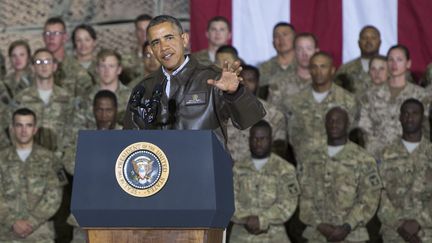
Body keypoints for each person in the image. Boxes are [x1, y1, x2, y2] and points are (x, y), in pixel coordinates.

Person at [123, 15, 265, 145]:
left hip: (206, 169)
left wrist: (235, 93)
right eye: (155, 42)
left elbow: (250, 119)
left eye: (169, 38)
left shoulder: (214, 78)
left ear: (184, 39)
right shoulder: (144, 88)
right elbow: (130, 141)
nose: (163, 47)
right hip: (161, 171)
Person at [299, 107, 381, 242]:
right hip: (317, 235)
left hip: (352, 236)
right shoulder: (310, 159)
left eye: (339, 121)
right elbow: (304, 198)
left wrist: (346, 227)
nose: (334, 124)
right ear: (324, 124)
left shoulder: (364, 160)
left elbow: (370, 198)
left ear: (347, 125)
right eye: (330, 120)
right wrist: (320, 225)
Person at [230, 120, 299, 243]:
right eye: (255, 138)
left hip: (274, 236)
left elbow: (288, 203)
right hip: (241, 235)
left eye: (263, 138)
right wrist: (246, 220)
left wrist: (262, 220)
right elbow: (229, 200)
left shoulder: (285, 169)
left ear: (271, 140)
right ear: (249, 140)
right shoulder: (237, 168)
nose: (258, 143)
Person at [284, 51, 357, 166]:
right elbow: (290, 137)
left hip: (339, 168)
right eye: (314, 67)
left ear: (332, 70)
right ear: (309, 70)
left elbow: (352, 136)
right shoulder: (294, 102)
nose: (318, 72)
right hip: (305, 167)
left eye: (323, 67)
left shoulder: (348, 101)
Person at [0, 108, 62, 242]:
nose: (24, 130)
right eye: (19, 125)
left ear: (35, 129)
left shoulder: (50, 159)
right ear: (12, 128)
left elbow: (54, 196)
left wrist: (31, 222)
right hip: (6, 233)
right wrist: (13, 221)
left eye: (28, 125)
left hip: (40, 233)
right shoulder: (1, 159)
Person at [358, 45, 429, 158]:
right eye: (391, 60)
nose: (394, 64)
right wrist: (379, 152)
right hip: (376, 157)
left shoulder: (422, 96)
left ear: (408, 63)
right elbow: (364, 128)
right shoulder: (370, 95)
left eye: (399, 60)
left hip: (411, 158)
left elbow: (426, 129)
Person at [378, 98, 432, 242]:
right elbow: (377, 195)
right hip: (394, 234)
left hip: (427, 233)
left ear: (422, 117)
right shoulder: (385, 154)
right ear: (400, 118)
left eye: (415, 113)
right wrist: (400, 225)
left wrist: (419, 222)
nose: (410, 117)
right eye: (406, 113)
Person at [14, 48, 76, 153]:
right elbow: (13, 130)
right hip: (32, 159)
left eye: (48, 61)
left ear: (55, 66)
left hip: (61, 157)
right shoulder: (21, 98)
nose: (44, 65)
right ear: (33, 68)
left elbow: (74, 128)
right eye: (39, 62)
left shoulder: (67, 98)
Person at [227, 65, 287, 162]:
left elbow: (278, 149)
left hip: (258, 172)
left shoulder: (274, 114)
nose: (245, 84)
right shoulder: (222, 112)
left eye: (250, 80)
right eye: (241, 80)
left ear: (258, 83)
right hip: (226, 170)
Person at [42, 16, 93, 98]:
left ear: (65, 37)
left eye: (56, 33)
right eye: (48, 33)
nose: (51, 38)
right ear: (43, 37)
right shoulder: (35, 68)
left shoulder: (77, 71)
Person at [267, 32, 318, 110]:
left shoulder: (326, 83)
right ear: (294, 52)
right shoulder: (279, 83)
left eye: (309, 48)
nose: (304, 53)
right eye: (300, 49)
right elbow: (271, 116)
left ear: (316, 51)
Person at [85, 49, 131, 125]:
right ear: (97, 69)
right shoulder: (86, 97)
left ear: (119, 69)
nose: (106, 71)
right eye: (103, 66)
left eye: (111, 66)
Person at [335, 26, 381, 96]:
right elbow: (336, 94)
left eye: (373, 38)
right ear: (359, 43)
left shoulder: (389, 67)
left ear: (379, 42)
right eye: (364, 38)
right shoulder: (345, 69)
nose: (368, 41)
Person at [258, 22, 296, 99]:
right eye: (276, 36)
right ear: (273, 42)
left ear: (295, 39)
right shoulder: (264, 67)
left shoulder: (304, 66)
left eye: (285, 35)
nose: (281, 39)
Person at [0, 40, 33, 107]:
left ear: (28, 57)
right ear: (10, 59)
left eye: (22, 55)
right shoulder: (4, 83)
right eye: (14, 55)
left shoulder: (37, 82)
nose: (18, 59)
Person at [122, 14, 153, 83]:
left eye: (147, 29)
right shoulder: (126, 59)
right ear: (135, 32)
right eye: (140, 30)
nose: (144, 33)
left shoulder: (161, 56)